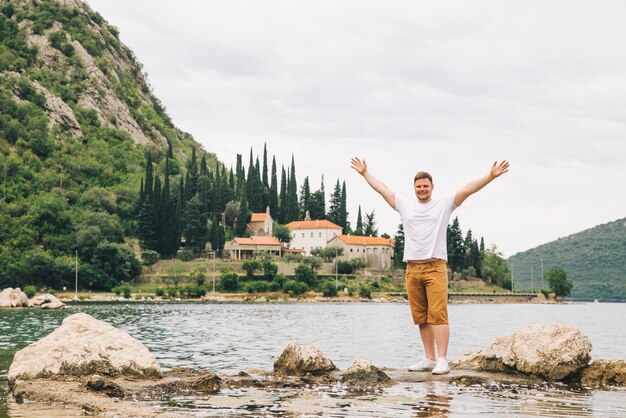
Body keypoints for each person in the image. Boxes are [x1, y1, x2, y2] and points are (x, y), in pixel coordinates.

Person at [350, 157, 509, 375]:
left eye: (425, 186)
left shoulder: (444, 204)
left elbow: (468, 189)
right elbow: (384, 190)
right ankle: (429, 358)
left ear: (432, 187)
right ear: (414, 188)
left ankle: (443, 360)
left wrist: (490, 176)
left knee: (439, 314)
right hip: (412, 268)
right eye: (418, 187)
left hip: (435, 267)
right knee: (421, 316)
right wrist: (365, 173)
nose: (422, 189)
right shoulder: (405, 205)